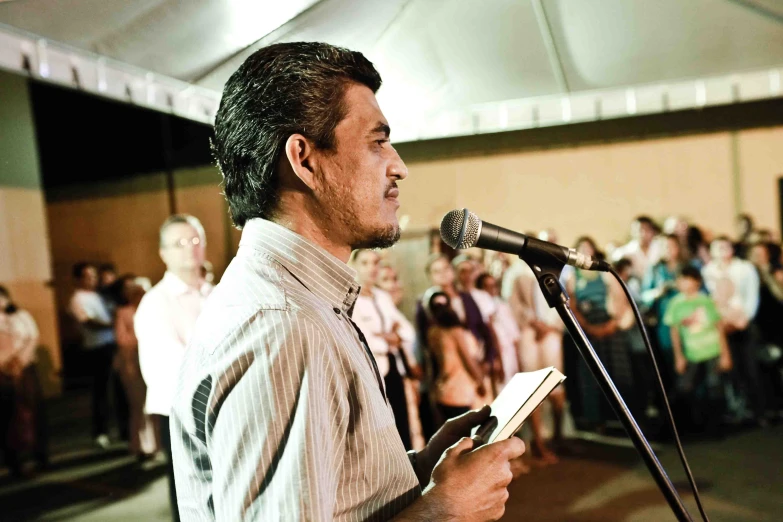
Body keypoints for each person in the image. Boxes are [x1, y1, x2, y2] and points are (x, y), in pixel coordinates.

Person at [172, 42, 525, 522]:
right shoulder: (283, 327)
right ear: (304, 159)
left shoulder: (298, 304)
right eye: (377, 142)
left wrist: (419, 472)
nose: (398, 165)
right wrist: (446, 510)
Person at [135, 214, 213, 521]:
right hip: (179, 412)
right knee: (192, 496)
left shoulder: (215, 293)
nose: (189, 249)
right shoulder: (157, 302)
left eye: (195, 240)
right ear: (163, 253)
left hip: (218, 407)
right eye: (179, 243)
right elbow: (173, 366)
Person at [350, 249, 419, 450]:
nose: (372, 268)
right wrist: (386, 339)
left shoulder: (382, 297)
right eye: (365, 263)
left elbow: (407, 330)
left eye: (375, 263)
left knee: (402, 422)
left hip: (394, 366)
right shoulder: (352, 299)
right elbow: (362, 337)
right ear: (354, 265)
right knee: (383, 425)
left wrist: (393, 336)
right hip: (373, 369)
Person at [565, 237, 634, 431]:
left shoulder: (603, 271)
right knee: (591, 375)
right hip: (588, 328)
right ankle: (597, 419)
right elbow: (573, 304)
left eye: (589, 248)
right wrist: (587, 327)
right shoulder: (573, 276)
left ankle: (624, 418)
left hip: (609, 325)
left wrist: (612, 324)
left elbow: (619, 298)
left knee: (617, 372)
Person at [501, 258, 566, 463]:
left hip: (552, 331)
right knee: (534, 387)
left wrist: (550, 325)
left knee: (556, 385)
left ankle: (558, 435)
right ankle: (538, 442)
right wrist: (534, 322)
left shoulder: (552, 270)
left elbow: (564, 299)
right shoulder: (516, 273)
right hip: (529, 332)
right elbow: (514, 303)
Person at [664, 266, 732, 435]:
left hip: (712, 350)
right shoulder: (675, 304)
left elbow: (718, 327)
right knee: (687, 388)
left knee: (714, 386)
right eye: (680, 279)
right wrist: (678, 356)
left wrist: (725, 354)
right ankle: (695, 425)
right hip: (692, 353)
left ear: (697, 281)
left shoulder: (706, 301)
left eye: (687, 279)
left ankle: (716, 427)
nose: (683, 283)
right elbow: (674, 332)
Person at [702, 236, 763, 423]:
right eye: (717, 247)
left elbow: (752, 296)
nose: (721, 251)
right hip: (722, 325)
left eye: (725, 246)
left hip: (743, 324)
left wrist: (743, 320)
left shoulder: (744, 268)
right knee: (730, 369)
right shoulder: (708, 270)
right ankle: (737, 409)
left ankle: (759, 411)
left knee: (750, 367)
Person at [0, 286, 47, 476]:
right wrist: (5, 365)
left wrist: (20, 361)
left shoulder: (21, 316)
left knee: (34, 410)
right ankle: (14, 460)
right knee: (8, 415)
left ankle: (40, 455)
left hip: (25, 368)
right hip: (3, 371)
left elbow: (32, 337)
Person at [69, 262, 116, 449]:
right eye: (88, 276)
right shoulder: (77, 299)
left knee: (116, 389)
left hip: (111, 344)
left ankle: (118, 429)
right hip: (97, 349)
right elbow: (88, 323)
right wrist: (114, 325)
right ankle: (100, 431)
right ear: (79, 279)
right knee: (101, 391)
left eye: (94, 276)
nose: (92, 280)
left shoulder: (98, 295)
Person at [111, 275, 156, 460]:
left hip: (152, 361)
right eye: (136, 293)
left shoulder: (155, 309)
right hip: (131, 362)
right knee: (138, 405)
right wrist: (143, 339)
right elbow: (122, 338)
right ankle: (140, 445)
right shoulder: (124, 312)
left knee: (154, 404)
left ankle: (155, 445)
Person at [423, 290, 486, 420]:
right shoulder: (455, 332)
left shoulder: (432, 333)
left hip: (442, 392)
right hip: (459, 393)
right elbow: (467, 360)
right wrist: (480, 381)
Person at [611, 215, 664, 280]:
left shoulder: (660, 246)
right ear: (633, 232)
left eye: (647, 230)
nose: (643, 234)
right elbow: (615, 257)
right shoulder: (630, 249)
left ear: (652, 231)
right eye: (640, 230)